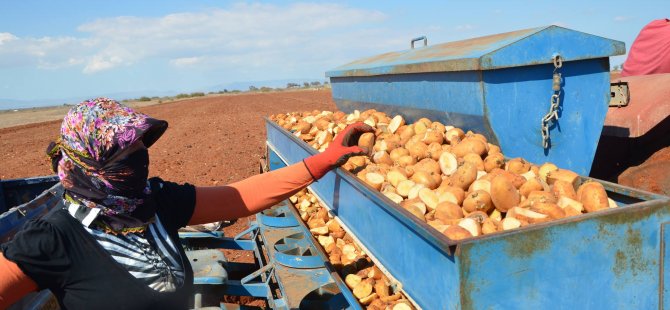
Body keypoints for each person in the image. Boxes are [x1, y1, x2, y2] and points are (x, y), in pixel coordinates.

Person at [0, 98, 373, 309]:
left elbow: (238, 198)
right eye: (123, 153)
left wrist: (320, 162)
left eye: (140, 149)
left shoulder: (154, 201)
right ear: (86, 161)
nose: (139, 160)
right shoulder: (52, 237)